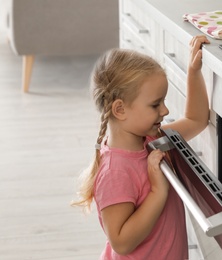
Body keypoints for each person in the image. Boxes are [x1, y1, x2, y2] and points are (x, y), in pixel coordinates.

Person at [71, 35, 210, 259]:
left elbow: (196, 120)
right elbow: (121, 242)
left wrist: (194, 72)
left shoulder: (152, 141)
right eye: (156, 104)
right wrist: (157, 191)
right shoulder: (115, 172)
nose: (164, 110)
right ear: (120, 110)